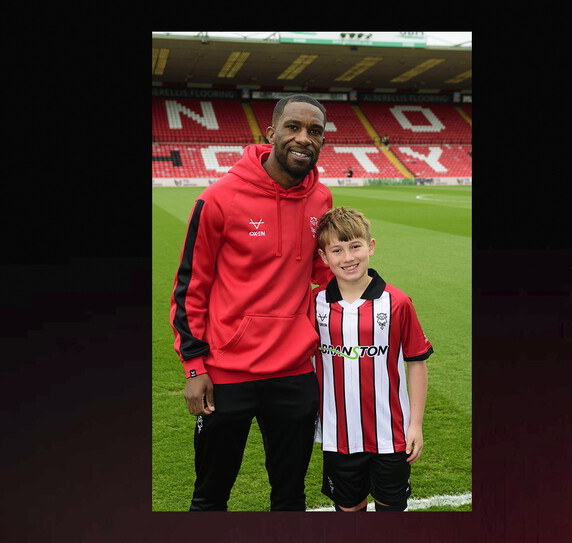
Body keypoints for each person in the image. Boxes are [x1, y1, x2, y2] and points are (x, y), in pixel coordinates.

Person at [169, 94, 334, 511]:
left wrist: (372, 289)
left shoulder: (321, 200)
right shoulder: (219, 198)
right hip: (227, 374)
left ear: (323, 139)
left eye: (314, 131)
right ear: (271, 132)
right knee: (210, 497)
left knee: (290, 496)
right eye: (293, 127)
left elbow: (324, 270)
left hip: (295, 373)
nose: (303, 138)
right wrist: (194, 365)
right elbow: (190, 287)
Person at [310, 206, 432, 512]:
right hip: (338, 435)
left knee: (391, 510)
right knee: (349, 510)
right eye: (336, 250)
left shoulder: (398, 302)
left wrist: (415, 424)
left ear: (371, 247)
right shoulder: (314, 304)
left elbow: (416, 362)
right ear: (324, 258)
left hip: (392, 434)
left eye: (355, 246)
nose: (348, 258)